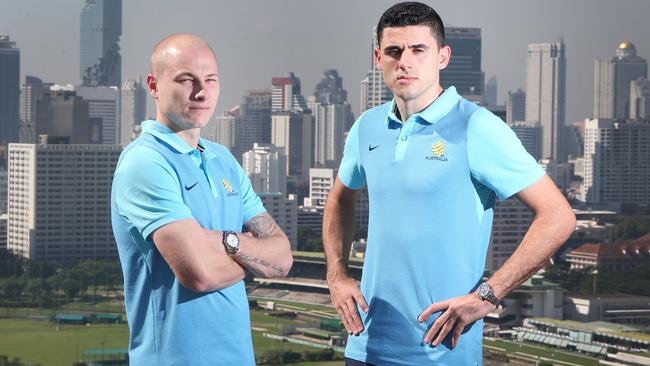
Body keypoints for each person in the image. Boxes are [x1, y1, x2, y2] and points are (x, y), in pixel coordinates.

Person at [322, 2, 575, 365]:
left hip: (440, 354)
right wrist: (336, 273)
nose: (404, 61)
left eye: (418, 49)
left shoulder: (477, 126)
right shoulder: (367, 126)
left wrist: (487, 295)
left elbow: (558, 215)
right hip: (365, 346)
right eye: (393, 51)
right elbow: (339, 200)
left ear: (442, 56)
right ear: (378, 58)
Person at [111, 33, 293, 365]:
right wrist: (252, 257)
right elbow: (200, 275)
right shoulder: (146, 162)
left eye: (210, 79)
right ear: (153, 85)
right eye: (186, 79)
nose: (201, 91)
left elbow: (282, 259)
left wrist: (226, 242)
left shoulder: (223, 159)